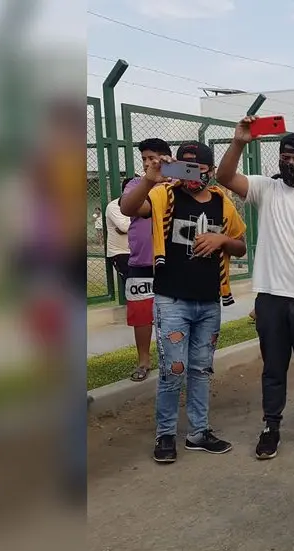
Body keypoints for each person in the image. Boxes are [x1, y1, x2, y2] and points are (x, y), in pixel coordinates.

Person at [216, 121, 294, 459]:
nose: (290, 164)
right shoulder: (266, 189)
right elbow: (225, 177)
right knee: (273, 367)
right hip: (271, 296)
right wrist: (239, 142)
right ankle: (271, 426)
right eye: (285, 157)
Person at [120, 141, 248, 463]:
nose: (189, 176)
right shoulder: (165, 194)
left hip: (208, 301)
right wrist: (150, 178)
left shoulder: (222, 202)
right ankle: (165, 434)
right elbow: (128, 208)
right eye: (183, 168)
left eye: (197, 169)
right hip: (172, 299)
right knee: (172, 370)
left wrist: (222, 240)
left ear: (210, 171)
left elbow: (241, 245)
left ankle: (198, 431)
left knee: (201, 369)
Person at [124, 138, 172, 382]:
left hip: (170, 264)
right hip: (141, 263)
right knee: (142, 315)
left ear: (165, 158)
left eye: (151, 158)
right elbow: (129, 207)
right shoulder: (135, 184)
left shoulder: (177, 184)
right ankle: (144, 360)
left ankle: (173, 359)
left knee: (172, 314)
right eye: (143, 159)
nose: (146, 163)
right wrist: (149, 180)